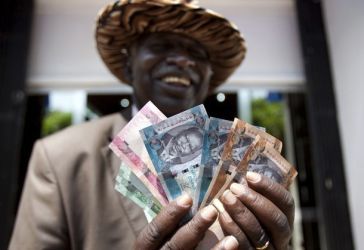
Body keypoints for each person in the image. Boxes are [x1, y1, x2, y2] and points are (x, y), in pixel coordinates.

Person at [9, 0, 295, 249]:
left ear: (210, 77)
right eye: (161, 45)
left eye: (196, 53)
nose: (182, 60)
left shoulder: (249, 161)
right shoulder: (60, 157)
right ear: (129, 65)